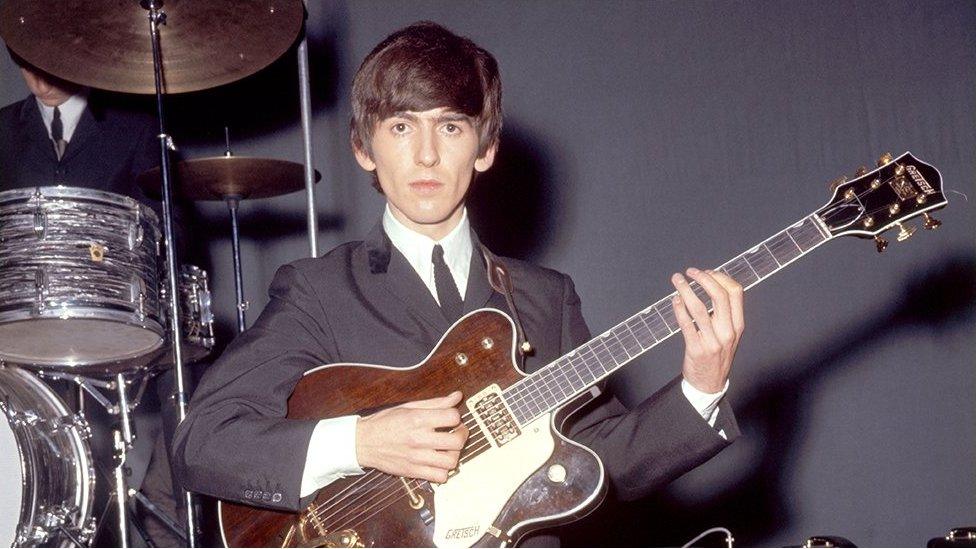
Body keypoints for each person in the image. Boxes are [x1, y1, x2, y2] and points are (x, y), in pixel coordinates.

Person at [172, 21, 744, 545]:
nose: (426, 155)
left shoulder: (546, 298)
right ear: (363, 148)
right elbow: (202, 441)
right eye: (401, 127)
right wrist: (359, 442)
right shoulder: (318, 290)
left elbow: (601, 461)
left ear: (486, 147)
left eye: (450, 126)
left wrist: (702, 385)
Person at [0, 52, 190, 547]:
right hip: (26, 320)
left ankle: (171, 515)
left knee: (187, 381)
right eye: (26, 64)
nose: (39, 76)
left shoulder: (135, 127)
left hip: (119, 311)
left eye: (49, 61)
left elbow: (167, 227)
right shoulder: (1, 130)